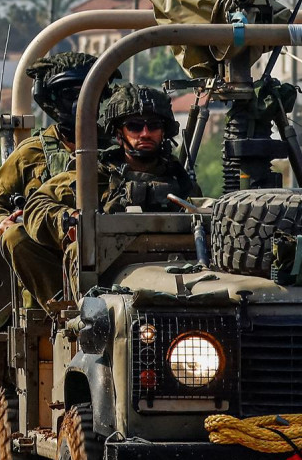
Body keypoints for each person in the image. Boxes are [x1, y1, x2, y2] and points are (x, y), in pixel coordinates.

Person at [18, 84, 197, 304]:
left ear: (164, 131)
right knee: (80, 249)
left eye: (154, 126)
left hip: (172, 278)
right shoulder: (95, 174)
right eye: (134, 126)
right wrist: (69, 221)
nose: (145, 133)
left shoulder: (179, 179)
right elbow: (37, 205)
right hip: (106, 289)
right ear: (118, 133)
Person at [0, 52, 120, 248]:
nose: (80, 104)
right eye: (71, 96)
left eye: (89, 95)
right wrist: (2, 223)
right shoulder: (30, 153)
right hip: (45, 256)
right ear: (53, 99)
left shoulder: (119, 150)